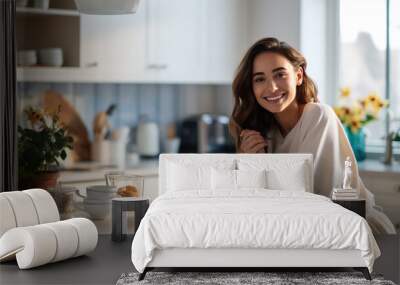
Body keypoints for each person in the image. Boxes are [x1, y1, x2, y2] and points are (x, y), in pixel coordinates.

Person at [229, 37, 396, 234]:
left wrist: (260, 168)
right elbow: (249, 203)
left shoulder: (318, 116)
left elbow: (309, 197)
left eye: (280, 75)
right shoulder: (264, 132)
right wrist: (248, 161)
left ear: (298, 76)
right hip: (301, 235)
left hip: (355, 233)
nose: (272, 87)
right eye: (259, 79)